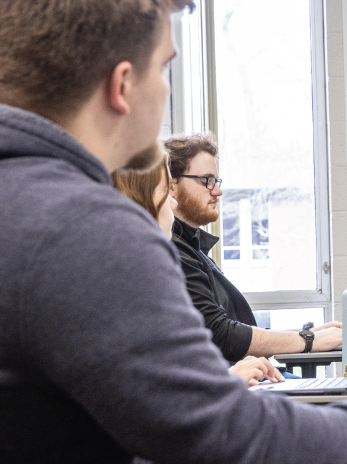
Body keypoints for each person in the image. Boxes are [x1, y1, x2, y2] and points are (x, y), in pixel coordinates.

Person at [0, 0, 347, 464]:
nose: (167, 90)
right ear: (122, 86)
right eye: (164, 68)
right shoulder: (86, 230)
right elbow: (230, 450)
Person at [164, 134, 342, 363]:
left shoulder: (192, 248)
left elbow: (237, 331)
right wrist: (309, 341)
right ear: (171, 186)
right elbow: (220, 335)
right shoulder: (174, 250)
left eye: (217, 181)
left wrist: (306, 335)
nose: (217, 191)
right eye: (206, 180)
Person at [113, 157, 283, 387]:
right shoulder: (137, 281)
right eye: (166, 192)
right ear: (141, 204)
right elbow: (147, 390)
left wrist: (227, 376)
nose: (172, 203)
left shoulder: (140, 272)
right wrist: (226, 380)